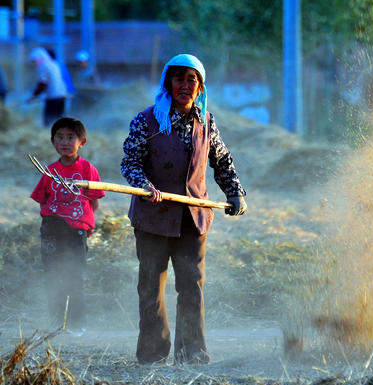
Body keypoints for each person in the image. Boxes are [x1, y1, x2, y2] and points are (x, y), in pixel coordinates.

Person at [120, 53, 247, 365]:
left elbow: (222, 161)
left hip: (193, 217)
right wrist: (144, 186)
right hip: (153, 218)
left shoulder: (206, 122)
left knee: (192, 286)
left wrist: (235, 193)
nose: (186, 85)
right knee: (151, 288)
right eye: (179, 78)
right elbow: (130, 162)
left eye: (192, 79)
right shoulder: (146, 121)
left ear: (200, 87)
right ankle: (152, 353)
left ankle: (192, 352)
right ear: (169, 83)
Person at [30, 117, 105, 334]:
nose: (65, 142)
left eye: (70, 137)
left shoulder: (88, 169)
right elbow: (43, 200)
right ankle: (55, 323)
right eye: (60, 137)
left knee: (75, 276)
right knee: (53, 275)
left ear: (82, 141)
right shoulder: (49, 171)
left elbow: (94, 202)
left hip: (75, 231)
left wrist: (81, 223)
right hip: (51, 230)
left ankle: (76, 325)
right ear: (52, 141)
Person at [28, 47, 68, 127]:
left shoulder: (43, 67)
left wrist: (34, 96)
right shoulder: (54, 64)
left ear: (39, 59)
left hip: (53, 97)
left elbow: (42, 84)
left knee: (48, 121)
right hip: (62, 95)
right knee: (60, 120)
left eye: (34, 61)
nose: (34, 64)